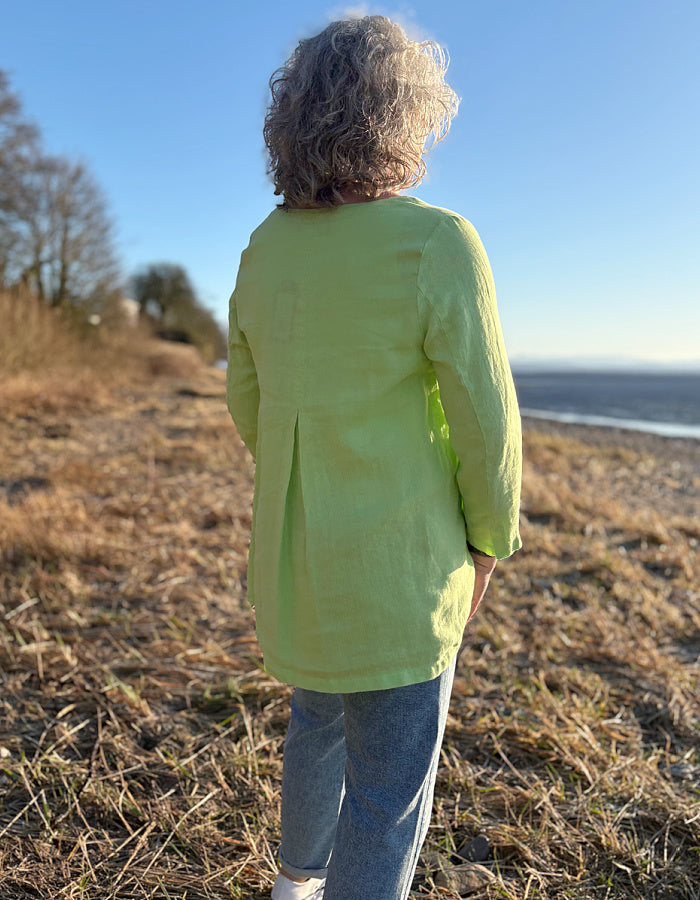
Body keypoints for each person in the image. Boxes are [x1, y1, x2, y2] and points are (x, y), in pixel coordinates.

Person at [226, 15, 522, 900]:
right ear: (406, 115)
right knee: (390, 788)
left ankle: (293, 885)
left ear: (294, 120)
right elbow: (486, 418)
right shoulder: (438, 242)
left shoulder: (265, 244)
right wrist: (488, 540)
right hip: (402, 564)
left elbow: (249, 394)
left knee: (314, 721)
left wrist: (295, 472)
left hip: (297, 557)